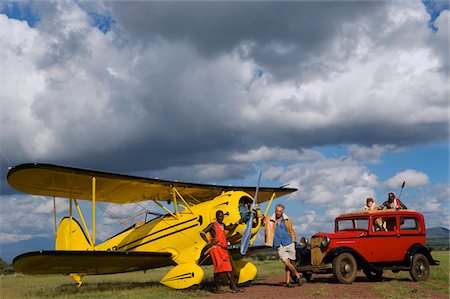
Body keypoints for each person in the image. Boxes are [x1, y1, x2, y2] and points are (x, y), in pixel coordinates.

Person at [200, 210, 243, 293]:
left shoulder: (222, 225)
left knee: (228, 268)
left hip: (223, 249)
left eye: (222, 216)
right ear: (216, 217)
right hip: (215, 249)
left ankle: (232, 287)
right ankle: (218, 289)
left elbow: (230, 228)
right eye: (220, 216)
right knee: (218, 269)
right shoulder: (212, 225)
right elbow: (202, 232)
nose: (221, 218)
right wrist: (209, 242)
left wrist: (238, 222)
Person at [261, 204, 303, 288]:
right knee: (286, 262)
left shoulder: (287, 220)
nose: (278, 212)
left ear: (282, 211)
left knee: (289, 264)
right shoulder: (269, 219)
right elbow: (262, 223)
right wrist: (261, 217)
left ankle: (287, 282)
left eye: (280, 211)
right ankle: (298, 275)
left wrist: (294, 241)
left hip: (289, 242)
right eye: (277, 211)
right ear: (275, 211)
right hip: (279, 245)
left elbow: (291, 230)